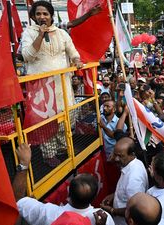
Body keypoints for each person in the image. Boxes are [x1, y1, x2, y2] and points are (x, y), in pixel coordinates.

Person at [21, 0, 83, 165]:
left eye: (45, 14)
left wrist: (77, 60)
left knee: (66, 117)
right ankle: (49, 154)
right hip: (42, 88)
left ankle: (64, 147)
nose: (42, 17)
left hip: (62, 84)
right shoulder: (28, 32)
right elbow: (27, 56)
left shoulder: (62, 34)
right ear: (34, 16)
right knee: (46, 122)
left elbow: (73, 52)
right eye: (39, 14)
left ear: (51, 16)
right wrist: (40, 34)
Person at [13, 143, 114, 225]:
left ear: (68, 192)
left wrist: (24, 163)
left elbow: (17, 200)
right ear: (95, 196)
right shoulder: (104, 219)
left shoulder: (49, 213)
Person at [101, 137, 148, 225]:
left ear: (132, 154)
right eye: (115, 154)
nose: (116, 159)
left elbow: (134, 210)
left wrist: (112, 210)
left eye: (121, 156)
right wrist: (114, 195)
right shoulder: (134, 163)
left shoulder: (134, 179)